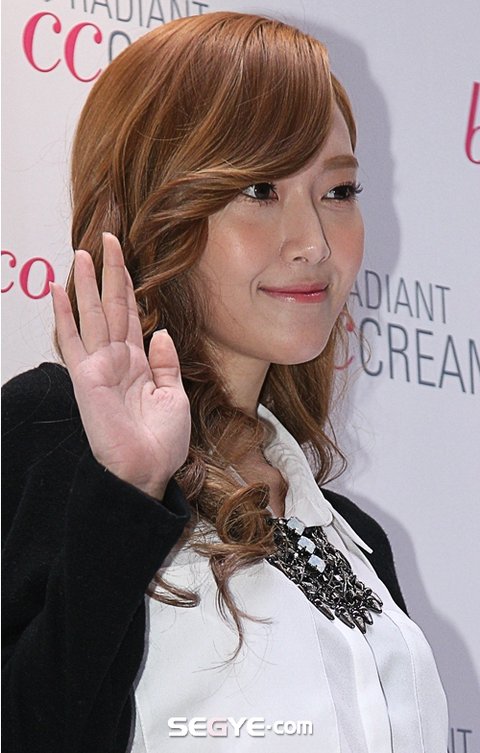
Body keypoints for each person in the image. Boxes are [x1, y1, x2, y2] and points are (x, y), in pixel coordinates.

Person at [2, 11, 448, 753]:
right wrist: (127, 494)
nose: (314, 243)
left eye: (339, 190)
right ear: (155, 208)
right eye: (261, 188)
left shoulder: (356, 537)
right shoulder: (52, 433)